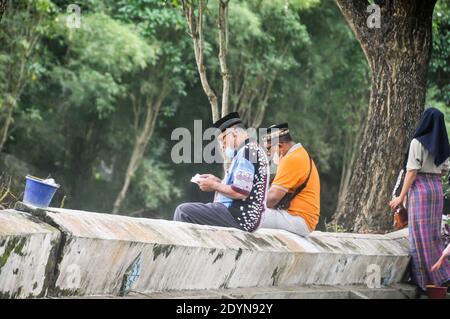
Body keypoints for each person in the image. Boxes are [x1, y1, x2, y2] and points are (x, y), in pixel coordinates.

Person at [173, 112, 270, 232]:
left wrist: (214, 185)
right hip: (240, 214)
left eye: (222, 140)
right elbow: (242, 186)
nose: (222, 146)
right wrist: (217, 181)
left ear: (233, 133)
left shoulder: (248, 151)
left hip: (240, 216)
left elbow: (241, 192)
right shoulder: (249, 150)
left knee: (183, 211)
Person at [389, 107, 450, 291]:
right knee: (433, 235)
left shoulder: (417, 142)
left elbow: (412, 172)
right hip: (436, 189)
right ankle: (441, 276)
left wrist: (401, 197)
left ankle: (424, 280)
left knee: (418, 235)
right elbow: (445, 170)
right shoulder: (443, 144)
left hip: (421, 190)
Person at [259, 123, 320, 236]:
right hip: (298, 218)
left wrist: (251, 204)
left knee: (247, 214)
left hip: (298, 219)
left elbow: (273, 197)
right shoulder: (298, 154)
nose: (268, 154)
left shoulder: (292, 159)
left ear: (280, 146)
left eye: (269, 149)